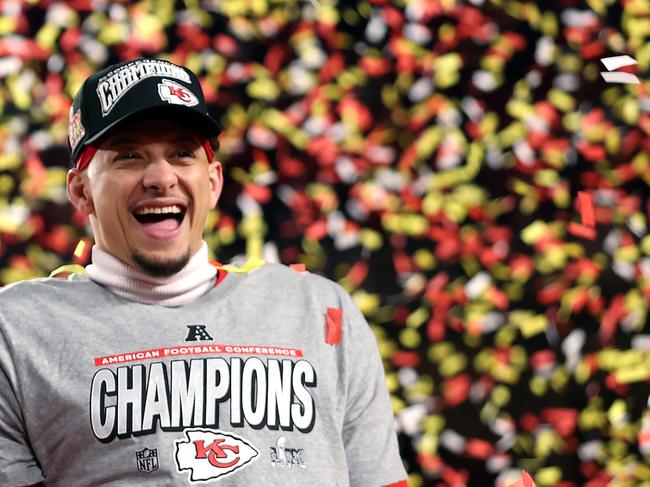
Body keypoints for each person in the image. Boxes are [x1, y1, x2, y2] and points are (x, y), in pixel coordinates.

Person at [0, 58, 408, 487]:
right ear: (81, 191)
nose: (161, 177)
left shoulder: (320, 310)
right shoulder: (17, 330)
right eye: (129, 156)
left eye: (182, 153)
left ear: (212, 182)